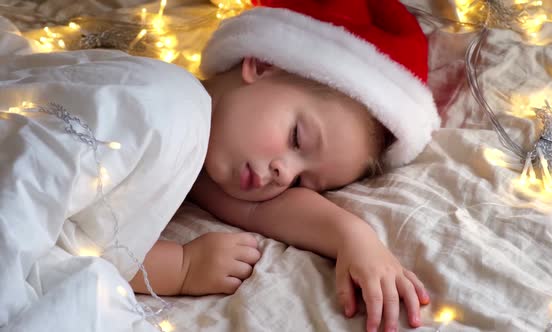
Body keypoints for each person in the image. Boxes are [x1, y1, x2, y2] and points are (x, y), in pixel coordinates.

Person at [129, 1, 441, 332]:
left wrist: (355, 238)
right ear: (263, 65)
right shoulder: (154, 107)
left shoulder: (207, 164)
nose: (285, 174)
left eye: (301, 181)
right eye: (296, 138)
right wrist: (181, 267)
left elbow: (263, 211)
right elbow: (75, 235)